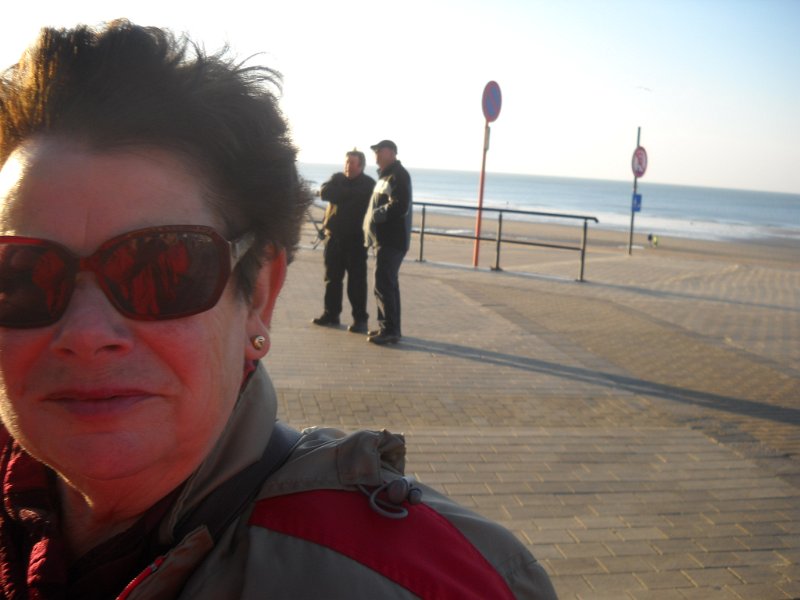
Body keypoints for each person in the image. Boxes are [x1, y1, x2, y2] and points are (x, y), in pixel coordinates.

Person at [0, 21, 557, 599]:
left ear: (259, 294)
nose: (86, 333)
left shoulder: (435, 581)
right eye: (20, 273)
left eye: (160, 270)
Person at [311, 150, 374, 333]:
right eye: (346, 162)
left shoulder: (368, 184)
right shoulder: (337, 177)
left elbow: (358, 196)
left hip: (356, 241)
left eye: (352, 163)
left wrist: (340, 194)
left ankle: (360, 320)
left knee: (356, 282)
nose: (348, 166)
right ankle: (331, 314)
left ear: (361, 165)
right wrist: (346, 193)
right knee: (332, 279)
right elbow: (325, 192)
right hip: (333, 238)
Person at [362, 140, 413, 345]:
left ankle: (389, 330)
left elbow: (400, 206)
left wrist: (376, 215)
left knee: (383, 284)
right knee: (387, 284)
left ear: (391, 153)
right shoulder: (385, 176)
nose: (376, 154)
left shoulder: (398, 175)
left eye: (379, 151)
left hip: (392, 240)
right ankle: (390, 327)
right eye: (375, 151)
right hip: (383, 240)